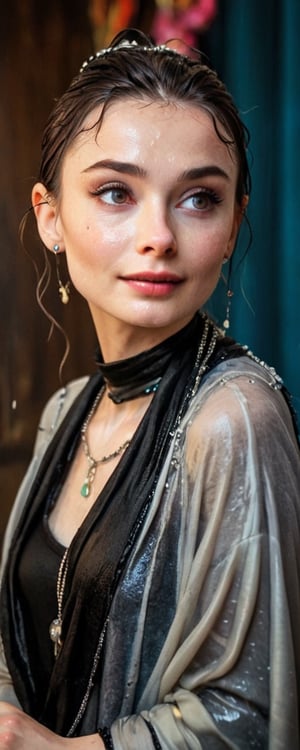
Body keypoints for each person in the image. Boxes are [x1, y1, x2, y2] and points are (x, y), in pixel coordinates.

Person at [0, 27, 299, 750]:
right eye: (114, 192)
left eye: (199, 199)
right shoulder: (68, 410)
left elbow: (249, 713)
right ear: (50, 217)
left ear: (232, 228)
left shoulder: (234, 417)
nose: (159, 234)